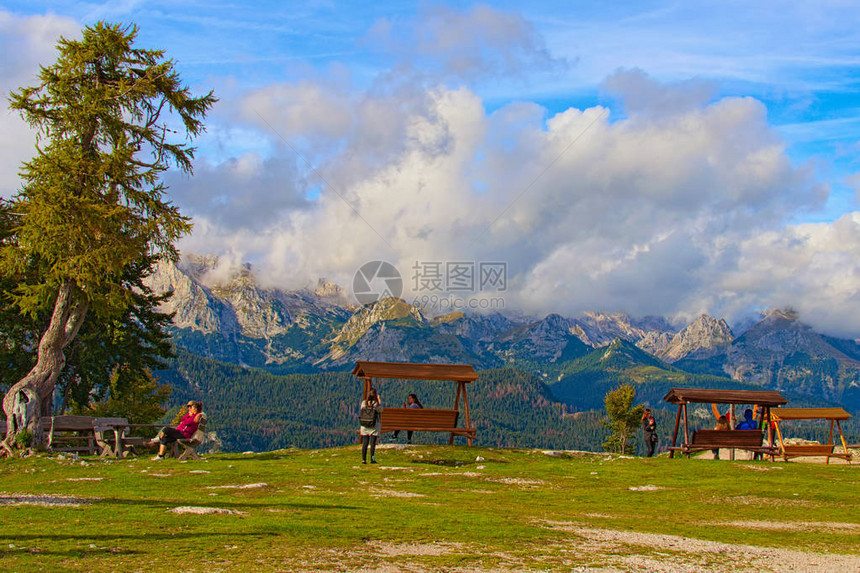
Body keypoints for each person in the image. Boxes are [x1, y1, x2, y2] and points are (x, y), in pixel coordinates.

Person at [359, 388, 383, 464]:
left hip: (365, 425)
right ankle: (372, 459)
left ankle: (364, 459)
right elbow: (381, 410)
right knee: (372, 444)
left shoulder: (364, 403)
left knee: (365, 443)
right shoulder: (376, 404)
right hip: (374, 425)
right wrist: (379, 401)